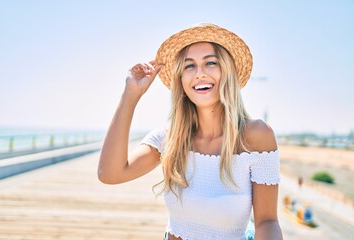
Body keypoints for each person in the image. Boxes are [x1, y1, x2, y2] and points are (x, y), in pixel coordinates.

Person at [98, 23, 283, 240]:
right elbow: (110, 174)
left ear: (227, 72)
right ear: (181, 80)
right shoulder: (169, 139)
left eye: (210, 63)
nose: (199, 73)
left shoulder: (256, 136)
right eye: (189, 66)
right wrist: (130, 94)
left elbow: (267, 222)